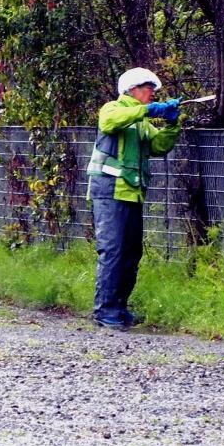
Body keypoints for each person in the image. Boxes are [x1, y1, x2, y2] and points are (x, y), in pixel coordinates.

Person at [86, 67, 182, 329]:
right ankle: (104, 311)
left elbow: (159, 146)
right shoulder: (113, 109)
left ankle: (119, 309)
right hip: (109, 192)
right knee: (113, 251)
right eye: (148, 88)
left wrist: (172, 123)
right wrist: (149, 111)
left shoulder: (141, 123)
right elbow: (109, 123)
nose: (152, 93)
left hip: (132, 193)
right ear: (132, 90)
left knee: (130, 253)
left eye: (153, 89)